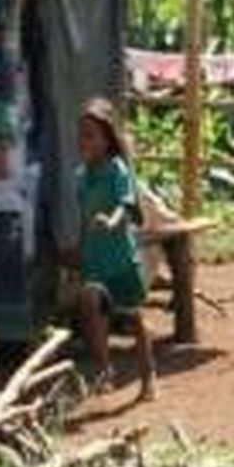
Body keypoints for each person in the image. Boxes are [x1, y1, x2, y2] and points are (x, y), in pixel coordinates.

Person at [74, 97, 155, 402]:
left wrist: (111, 221)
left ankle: (148, 377)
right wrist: (80, 249)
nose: (84, 141)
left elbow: (125, 204)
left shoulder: (116, 169)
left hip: (121, 258)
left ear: (108, 139)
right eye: (81, 134)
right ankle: (105, 369)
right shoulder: (80, 177)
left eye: (91, 134)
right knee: (92, 310)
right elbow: (84, 219)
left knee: (133, 318)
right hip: (95, 260)